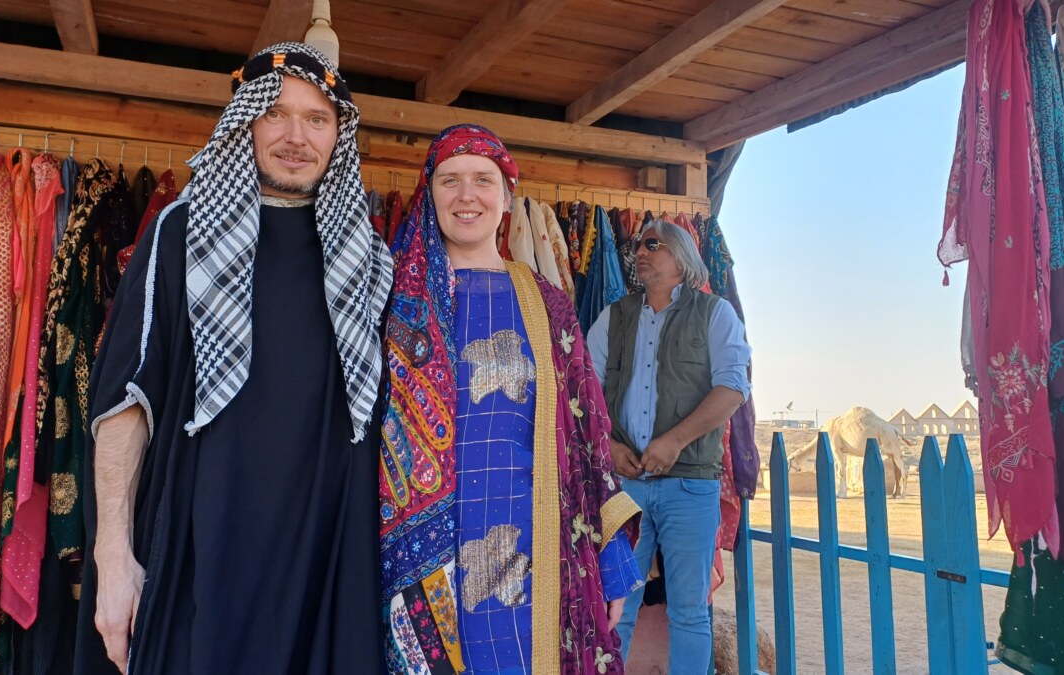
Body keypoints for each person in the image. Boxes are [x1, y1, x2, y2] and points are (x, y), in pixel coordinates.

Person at [76, 42, 392, 675]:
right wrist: (112, 555)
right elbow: (126, 402)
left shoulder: (370, 257)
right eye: (275, 113)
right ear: (244, 121)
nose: (296, 136)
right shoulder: (180, 232)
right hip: (202, 549)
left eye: (317, 118)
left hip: (325, 562)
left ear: (339, 135)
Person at [378, 124, 643, 675]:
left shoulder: (547, 304)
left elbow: (587, 437)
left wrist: (611, 561)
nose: (467, 195)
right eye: (450, 180)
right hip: (418, 558)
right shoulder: (391, 299)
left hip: (534, 545)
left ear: (507, 197)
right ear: (430, 194)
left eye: (483, 180)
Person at [587, 218, 752, 674]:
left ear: (682, 256)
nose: (640, 252)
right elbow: (583, 391)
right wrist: (609, 447)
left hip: (691, 485)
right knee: (615, 607)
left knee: (690, 613)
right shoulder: (614, 317)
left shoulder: (715, 313)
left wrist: (676, 441)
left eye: (652, 245)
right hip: (625, 485)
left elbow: (734, 387)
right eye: (637, 246)